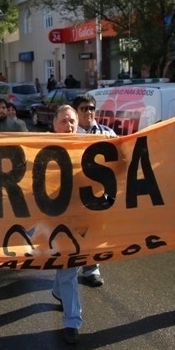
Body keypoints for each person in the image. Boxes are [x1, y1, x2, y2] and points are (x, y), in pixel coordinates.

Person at [71, 93, 116, 287]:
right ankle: (70, 268)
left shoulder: (108, 134)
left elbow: (122, 157)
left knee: (95, 231)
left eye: (91, 108)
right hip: (73, 193)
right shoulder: (67, 134)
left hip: (99, 193)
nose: (88, 112)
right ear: (76, 112)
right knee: (73, 231)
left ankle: (92, 269)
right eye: (83, 108)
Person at [50, 105, 84, 345]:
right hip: (51, 219)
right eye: (64, 121)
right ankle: (68, 311)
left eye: (72, 121)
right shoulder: (41, 148)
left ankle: (66, 306)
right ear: (54, 124)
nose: (69, 125)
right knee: (66, 266)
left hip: (80, 218)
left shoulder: (88, 146)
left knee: (72, 267)